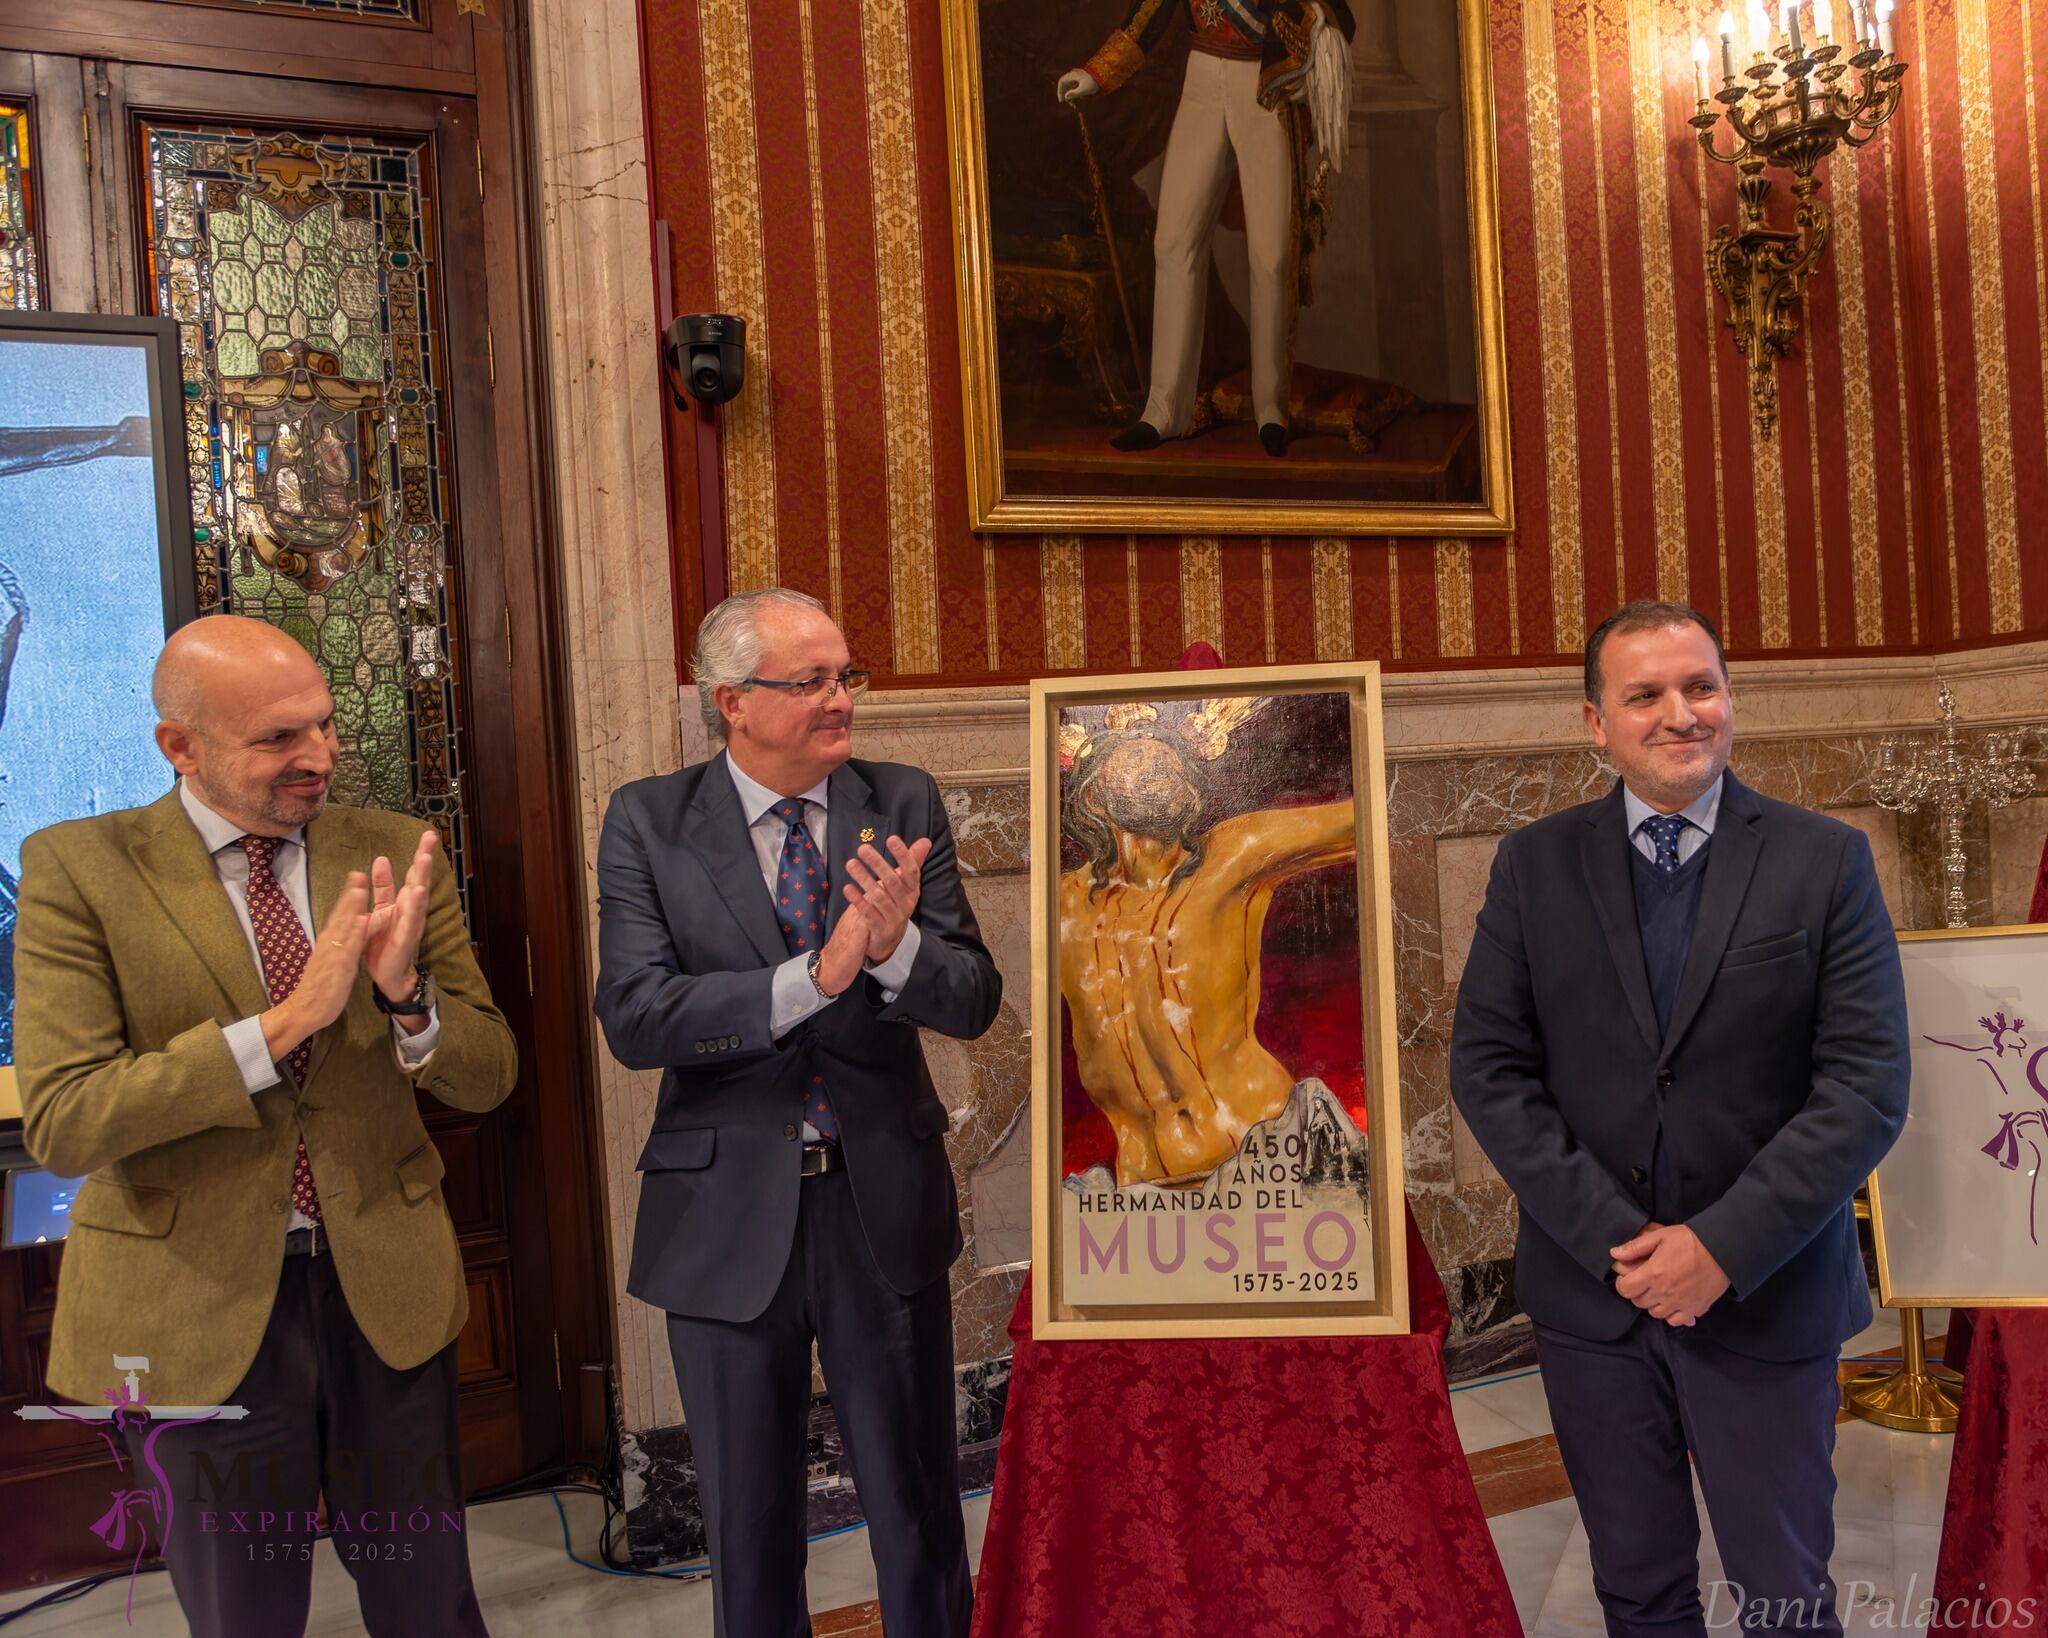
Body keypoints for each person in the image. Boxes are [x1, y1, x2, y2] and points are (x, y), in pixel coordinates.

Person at [15, 614, 517, 1638]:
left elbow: (490, 1075)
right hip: (193, 1306)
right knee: (246, 1612)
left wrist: (408, 998)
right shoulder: (80, 868)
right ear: (179, 746)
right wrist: (285, 1024)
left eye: (325, 727)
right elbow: (66, 1119)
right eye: (279, 739)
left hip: (385, 1288)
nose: (320, 757)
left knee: (430, 1601)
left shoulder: (392, 852)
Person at [1450, 601, 1909, 1637]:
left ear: (1728, 698)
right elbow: (1486, 1068)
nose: (1678, 713)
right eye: (1643, 694)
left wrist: (1717, 1248)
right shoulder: (1532, 866)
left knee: (1786, 1595)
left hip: (1768, 1295)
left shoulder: (1819, 861)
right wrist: (1623, 1245)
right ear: (1593, 722)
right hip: (1594, 1305)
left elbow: (1865, 1082)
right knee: (1639, 1595)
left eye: (1699, 686)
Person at [594, 587, 1001, 1638]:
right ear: (730, 701)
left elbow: (972, 998)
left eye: (845, 675)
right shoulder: (649, 821)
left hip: (880, 1207)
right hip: (724, 1211)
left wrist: (896, 946)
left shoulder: (899, 800)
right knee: (747, 1519)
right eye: (810, 680)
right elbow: (637, 1019)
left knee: (914, 1507)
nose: (839, 699)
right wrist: (813, 978)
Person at [1057, 704, 1354, 1184]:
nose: (1159, 765)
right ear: (1093, 797)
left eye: (1171, 760)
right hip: (1144, 1186)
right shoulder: (1063, 908)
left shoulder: (1232, 855)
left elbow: (1370, 817)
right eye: (1137, 756)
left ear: (1193, 793)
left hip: (1265, 1155)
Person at [1057, 0, 1355, 456]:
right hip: (1201, 77)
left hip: (1263, 82)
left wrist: (1309, 47)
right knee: (1174, 244)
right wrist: (1098, 74)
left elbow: (1333, 14)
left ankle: (1270, 410)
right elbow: (1151, 12)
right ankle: (1164, 411)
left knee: (1271, 254)